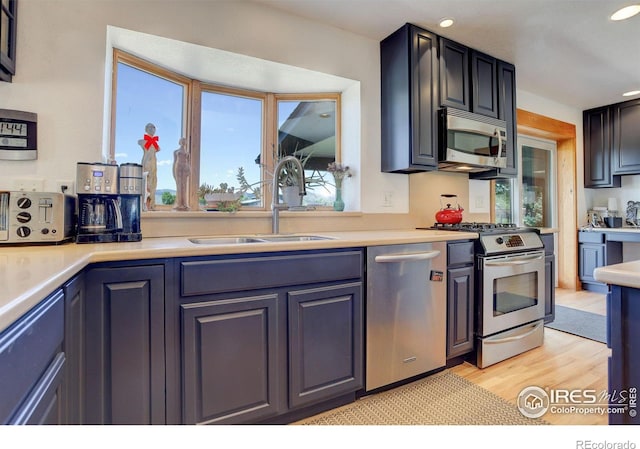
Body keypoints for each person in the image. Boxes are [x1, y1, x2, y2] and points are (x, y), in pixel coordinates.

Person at [138, 123, 159, 210]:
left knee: (154, 183)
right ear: (146, 129)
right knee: (147, 183)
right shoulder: (143, 141)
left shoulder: (154, 143)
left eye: (154, 127)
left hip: (154, 164)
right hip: (147, 163)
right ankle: (146, 205)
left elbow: (156, 150)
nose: (152, 129)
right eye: (150, 127)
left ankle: (152, 204)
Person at [172, 137, 190, 211]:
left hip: (185, 167)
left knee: (184, 185)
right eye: (182, 140)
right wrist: (173, 172)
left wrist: (189, 170)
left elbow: (188, 162)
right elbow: (174, 162)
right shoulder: (176, 151)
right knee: (179, 185)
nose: (183, 142)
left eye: (184, 141)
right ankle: (179, 203)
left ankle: (184, 203)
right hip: (178, 166)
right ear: (179, 142)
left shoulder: (187, 153)